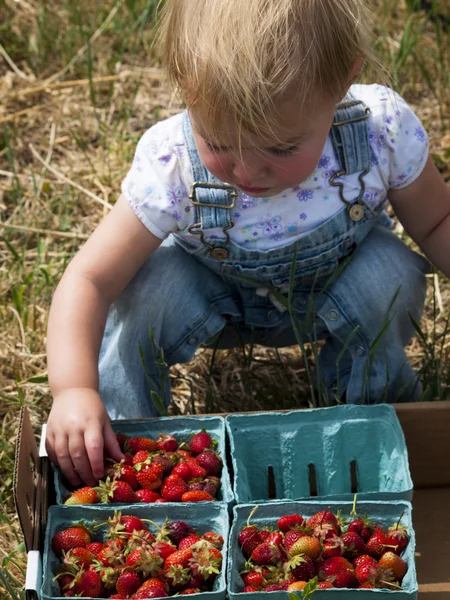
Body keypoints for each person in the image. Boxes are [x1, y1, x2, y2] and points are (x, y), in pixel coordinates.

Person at [45, 0, 450, 487]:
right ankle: (117, 444)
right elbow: (89, 278)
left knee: (392, 272)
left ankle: (369, 414)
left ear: (343, 80)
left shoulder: (377, 129)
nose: (246, 171)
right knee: (146, 291)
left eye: (280, 148)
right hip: (219, 300)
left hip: (336, 288)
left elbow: (437, 221)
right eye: (217, 143)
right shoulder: (173, 164)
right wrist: (72, 389)